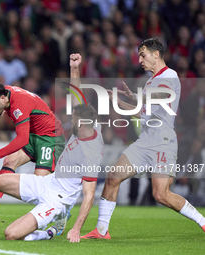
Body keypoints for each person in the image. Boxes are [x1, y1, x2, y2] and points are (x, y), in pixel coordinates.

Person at [0, 54, 103, 241]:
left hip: (58, 197)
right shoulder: (84, 129)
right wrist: (74, 68)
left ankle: (52, 229)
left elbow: (89, 195)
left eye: (75, 121)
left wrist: (77, 229)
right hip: (46, 183)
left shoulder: (90, 154)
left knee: (11, 234)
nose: (72, 121)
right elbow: (77, 95)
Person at [82, 38, 205, 239]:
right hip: (145, 140)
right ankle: (102, 230)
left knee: (161, 194)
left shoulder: (170, 76)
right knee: (113, 177)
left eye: (143, 54)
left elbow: (150, 106)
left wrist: (127, 101)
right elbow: (144, 111)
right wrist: (126, 100)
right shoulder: (150, 81)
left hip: (162, 142)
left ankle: (203, 222)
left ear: (156, 54)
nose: (139, 60)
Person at [0, 78, 66, 214]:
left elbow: (22, 139)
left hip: (50, 137)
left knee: (39, 185)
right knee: (10, 161)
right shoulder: (5, 93)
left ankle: (61, 211)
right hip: (35, 135)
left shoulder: (19, 103)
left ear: (2, 98)